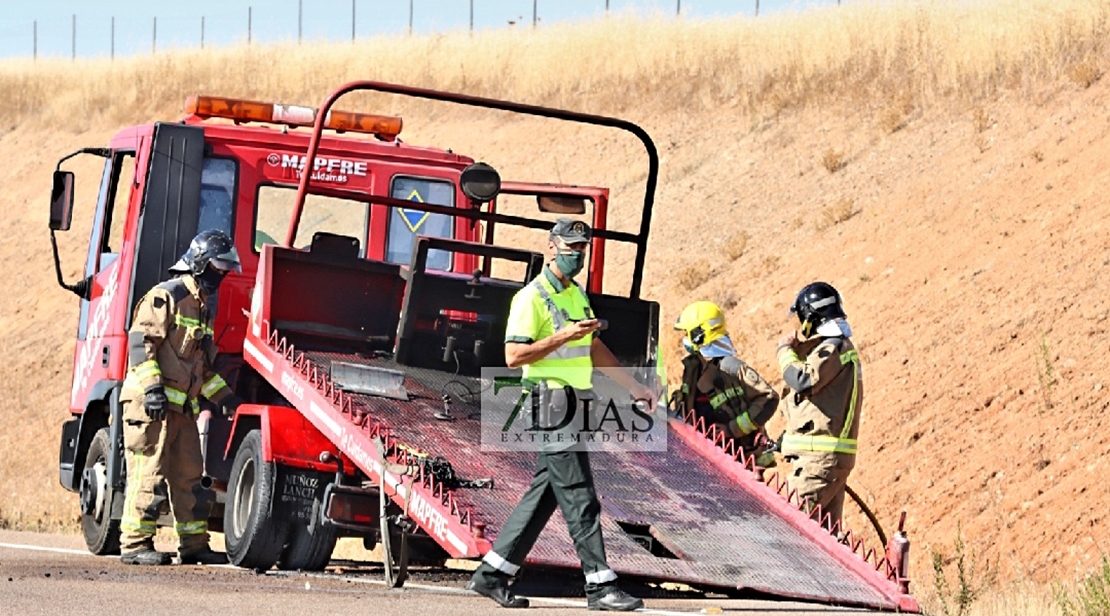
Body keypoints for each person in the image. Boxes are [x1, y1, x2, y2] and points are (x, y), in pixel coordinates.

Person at [466, 218, 653, 611]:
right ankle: (600, 585)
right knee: (580, 495)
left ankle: (492, 574)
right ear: (551, 247)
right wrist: (563, 336)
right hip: (550, 403)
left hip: (572, 402)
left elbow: (593, 347)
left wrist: (635, 386)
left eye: (582, 248)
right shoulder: (530, 298)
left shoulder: (575, 295)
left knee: (546, 494)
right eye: (570, 248)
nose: (576, 255)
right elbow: (513, 356)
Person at [118, 229, 245, 566]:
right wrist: (153, 389)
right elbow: (140, 344)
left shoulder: (203, 306)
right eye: (218, 268)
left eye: (225, 270)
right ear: (200, 263)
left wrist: (228, 400)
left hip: (182, 410)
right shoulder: (167, 295)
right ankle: (134, 545)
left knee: (190, 477)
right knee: (149, 473)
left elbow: (200, 368)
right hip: (151, 407)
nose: (222, 276)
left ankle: (193, 545)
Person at [775, 281, 862, 529]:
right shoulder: (838, 347)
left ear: (810, 317)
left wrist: (784, 352)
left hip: (819, 465)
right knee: (825, 544)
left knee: (785, 530)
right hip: (827, 462)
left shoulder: (832, 348)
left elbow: (803, 380)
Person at [672, 300, 778, 459]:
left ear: (699, 335)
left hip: (743, 457)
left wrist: (731, 429)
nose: (684, 339)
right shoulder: (692, 367)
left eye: (687, 333)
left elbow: (769, 398)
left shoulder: (731, 367)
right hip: (705, 452)